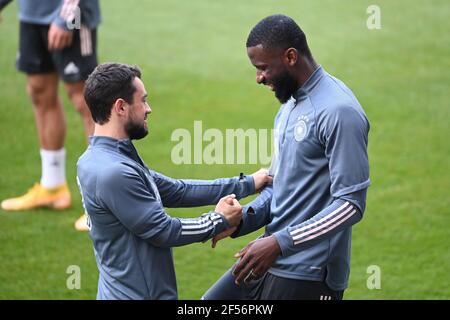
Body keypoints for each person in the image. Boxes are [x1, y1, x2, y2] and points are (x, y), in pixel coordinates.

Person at [203, 14, 370, 300]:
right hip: (272, 255)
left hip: (310, 271)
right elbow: (280, 185)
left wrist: (280, 242)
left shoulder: (339, 111)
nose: (258, 78)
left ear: (291, 56)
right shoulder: (290, 106)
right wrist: (243, 220)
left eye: (263, 68)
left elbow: (350, 205)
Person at [76, 63, 272, 300]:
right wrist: (218, 219)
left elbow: (178, 191)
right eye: (143, 101)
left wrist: (248, 183)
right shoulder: (114, 172)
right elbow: (163, 230)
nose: (149, 109)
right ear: (120, 107)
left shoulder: (99, 158)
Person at [0, 0, 100, 231]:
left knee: (86, 99)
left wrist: (65, 17)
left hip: (70, 15)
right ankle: (53, 186)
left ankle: (102, 206)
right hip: (31, 15)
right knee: (39, 90)